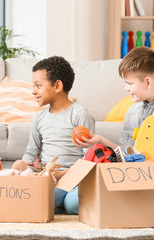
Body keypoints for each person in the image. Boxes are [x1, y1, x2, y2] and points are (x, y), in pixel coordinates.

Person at [74, 47, 154, 202]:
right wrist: (101, 141)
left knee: (86, 201)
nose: (126, 89)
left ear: (148, 82)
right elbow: (128, 154)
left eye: (129, 83)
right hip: (131, 180)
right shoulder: (133, 111)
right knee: (82, 196)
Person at [12, 56, 94, 214]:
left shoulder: (79, 114)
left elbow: (88, 158)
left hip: (74, 178)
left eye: (38, 85)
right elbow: (31, 152)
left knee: (73, 205)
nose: (33, 90)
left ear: (57, 86)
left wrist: (63, 174)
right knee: (27, 191)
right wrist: (22, 166)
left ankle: (63, 202)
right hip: (47, 177)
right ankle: (57, 201)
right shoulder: (40, 117)